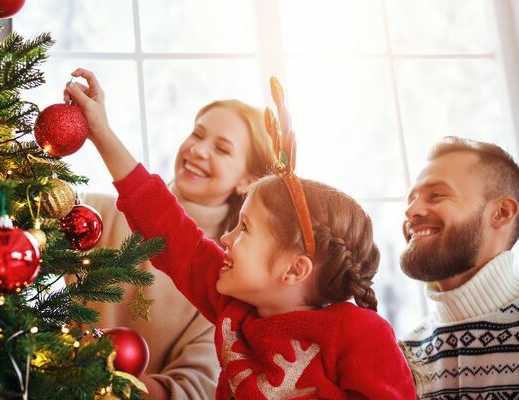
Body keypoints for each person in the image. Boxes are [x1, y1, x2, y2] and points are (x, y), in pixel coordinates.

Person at [65, 68, 416, 399]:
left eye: (244, 229)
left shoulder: (360, 334)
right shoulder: (232, 307)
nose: (226, 239)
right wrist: (102, 133)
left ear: (294, 270)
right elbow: (166, 226)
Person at [65, 86, 275, 397]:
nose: (199, 150)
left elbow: (196, 388)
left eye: (222, 149)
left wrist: (105, 381)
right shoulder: (96, 214)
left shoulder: (228, 278)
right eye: (197, 134)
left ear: (248, 182)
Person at [400, 136, 519, 399]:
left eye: (436, 195)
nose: (410, 210)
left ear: (501, 212)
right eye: (411, 199)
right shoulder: (406, 353)